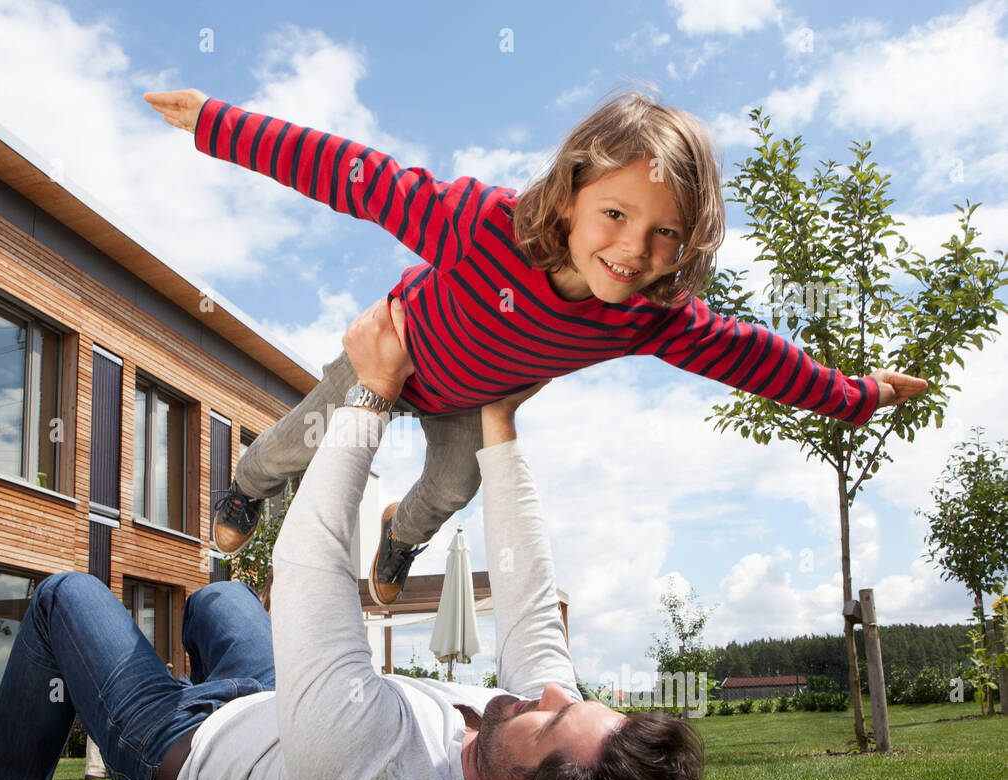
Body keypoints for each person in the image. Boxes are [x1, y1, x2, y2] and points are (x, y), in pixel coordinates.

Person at [0, 299, 705, 780]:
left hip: (176, 758)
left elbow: (307, 558)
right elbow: (531, 602)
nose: (553, 691)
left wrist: (371, 393)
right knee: (219, 599)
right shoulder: (526, 755)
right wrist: (498, 423)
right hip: (271, 709)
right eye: (570, 695)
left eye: (555, 714)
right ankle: (252, 768)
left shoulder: (362, 772)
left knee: (65, 598)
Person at [142, 87, 929, 607]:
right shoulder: (482, 225)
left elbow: (751, 355)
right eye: (614, 215)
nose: (634, 249)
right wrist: (216, 124)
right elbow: (356, 174)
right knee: (299, 443)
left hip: (467, 399)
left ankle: (398, 537)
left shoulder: (650, 316)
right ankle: (247, 485)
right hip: (397, 349)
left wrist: (852, 395)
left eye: (665, 234)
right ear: (571, 191)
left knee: (455, 488)